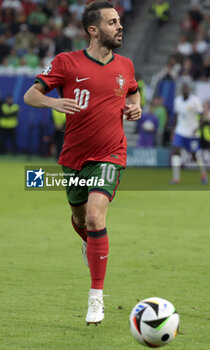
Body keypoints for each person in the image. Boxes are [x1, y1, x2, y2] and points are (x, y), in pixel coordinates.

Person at [24, 1, 141, 325]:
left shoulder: (126, 65)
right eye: (112, 22)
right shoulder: (67, 62)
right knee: (79, 217)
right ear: (93, 30)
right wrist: (53, 101)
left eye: (119, 21)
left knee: (93, 215)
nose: (120, 27)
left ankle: (96, 298)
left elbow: (133, 92)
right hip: (73, 158)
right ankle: (91, 247)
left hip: (110, 154)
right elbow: (30, 96)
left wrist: (135, 107)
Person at [171, 84, 208, 184]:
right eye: (183, 89)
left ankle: (203, 174)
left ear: (189, 90)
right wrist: (173, 130)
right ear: (181, 90)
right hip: (180, 131)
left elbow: (202, 116)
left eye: (186, 89)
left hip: (192, 133)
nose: (184, 90)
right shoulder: (177, 100)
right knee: (175, 151)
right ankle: (176, 178)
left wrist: (198, 128)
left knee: (195, 155)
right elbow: (175, 116)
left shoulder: (195, 101)